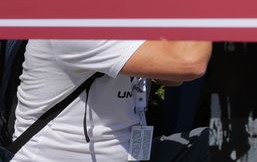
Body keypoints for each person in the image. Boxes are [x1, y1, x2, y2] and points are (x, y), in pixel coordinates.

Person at [10, 39, 211, 161]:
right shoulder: (74, 21)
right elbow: (190, 63)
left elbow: (171, 78)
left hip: (130, 153)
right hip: (66, 157)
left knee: (228, 140)